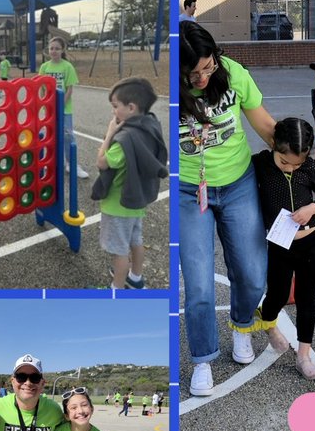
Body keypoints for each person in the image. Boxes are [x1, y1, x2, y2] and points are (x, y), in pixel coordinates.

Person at [179, 22, 276, 396]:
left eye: (208, 67)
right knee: (200, 284)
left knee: (252, 272)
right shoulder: (174, 90)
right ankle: (203, 358)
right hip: (190, 191)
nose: (203, 76)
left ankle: (241, 327)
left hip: (238, 183)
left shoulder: (234, 74)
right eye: (194, 72)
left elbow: (266, 126)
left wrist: (300, 170)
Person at [252, 117, 315, 379]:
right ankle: (269, 326)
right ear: (273, 145)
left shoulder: (309, 166)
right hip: (279, 244)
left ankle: (303, 355)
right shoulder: (261, 164)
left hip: (311, 241)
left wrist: (312, 208)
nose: (289, 168)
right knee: (275, 296)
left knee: (307, 298)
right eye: (284, 162)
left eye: (295, 164)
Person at [93, 77, 168, 290]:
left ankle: (117, 288)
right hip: (137, 200)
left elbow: (102, 163)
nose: (113, 112)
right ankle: (136, 277)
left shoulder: (124, 140)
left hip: (119, 203)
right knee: (136, 239)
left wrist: (110, 134)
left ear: (131, 107)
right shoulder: (150, 125)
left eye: (116, 107)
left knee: (119, 250)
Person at [39, 37, 89, 178]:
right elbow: (41, 88)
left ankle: (71, 164)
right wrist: (45, 103)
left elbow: (69, 89)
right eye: (51, 48)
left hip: (64, 109)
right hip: (49, 109)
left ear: (62, 50)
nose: (54, 51)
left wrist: (59, 105)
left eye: (57, 48)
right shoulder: (44, 67)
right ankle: (51, 163)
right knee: (50, 137)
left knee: (67, 136)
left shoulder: (67, 66)